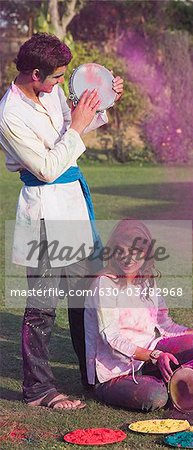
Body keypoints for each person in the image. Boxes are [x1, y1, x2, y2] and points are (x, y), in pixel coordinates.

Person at [0, 33, 123, 409]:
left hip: (73, 208)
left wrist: (104, 101)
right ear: (35, 74)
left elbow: (78, 127)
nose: (60, 84)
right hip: (43, 212)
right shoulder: (8, 114)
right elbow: (50, 168)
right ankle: (38, 389)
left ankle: (95, 375)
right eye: (56, 77)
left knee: (86, 300)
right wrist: (77, 125)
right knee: (42, 307)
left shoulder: (50, 92)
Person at [84, 219, 193, 411]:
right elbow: (111, 339)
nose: (128, 258)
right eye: (122, 251)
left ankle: (167, 380)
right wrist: (154, 356)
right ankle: (166, 386)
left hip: (147, 358)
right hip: (112, 372)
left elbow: (165, 326)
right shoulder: (104, 284)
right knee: (155, 396)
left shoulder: (146, 281)